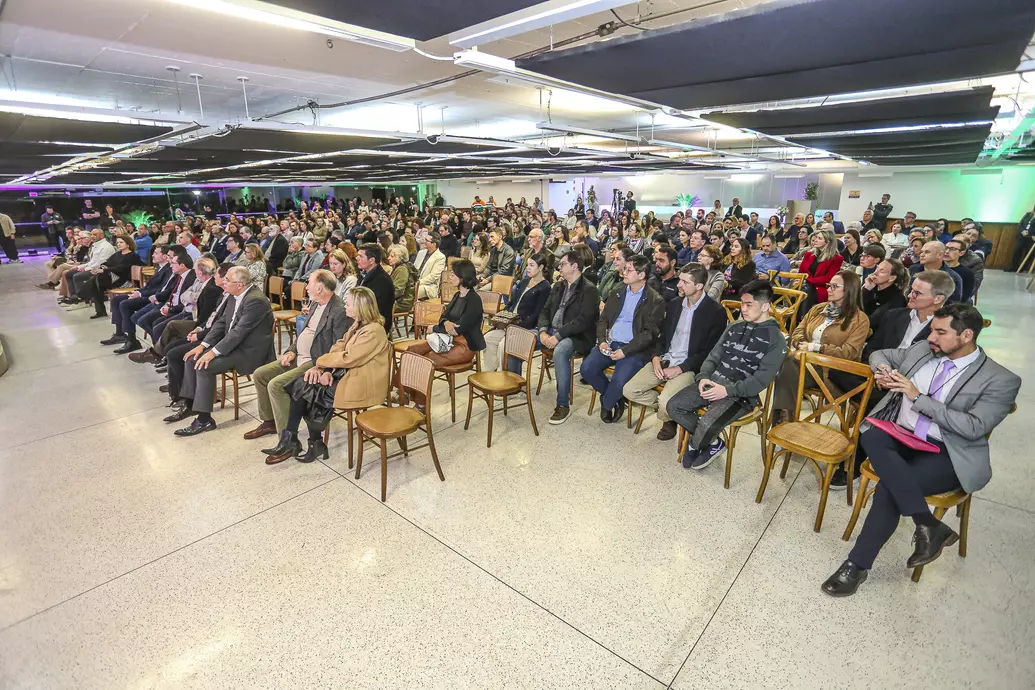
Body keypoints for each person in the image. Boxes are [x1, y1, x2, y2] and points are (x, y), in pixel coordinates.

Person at [822, 304, 1021, 597]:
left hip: (946, 451)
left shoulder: (1000, 379)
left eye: (941, 332)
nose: (932, 336)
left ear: (966, 335)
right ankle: (928, 524)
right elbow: (879, 354)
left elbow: (974, 427)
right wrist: (884, 371)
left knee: (889, 488)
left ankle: (856, 565)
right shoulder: (923, 351)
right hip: (901, 436)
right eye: (932, 329)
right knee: (872, 436)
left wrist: (918, 398)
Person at [262, 286, 392, 463]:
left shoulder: (374, 330)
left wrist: (322, 364)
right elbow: (340, 345)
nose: (345, 305)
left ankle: (303, 441)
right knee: (305, 383)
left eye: (348, 303)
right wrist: (325, 370)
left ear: (360, 307)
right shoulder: (358, 324)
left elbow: (349, 358)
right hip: (349, 375)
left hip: (363, 384)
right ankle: (297, 440)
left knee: (308, 390)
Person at [667, 280, 787, 470]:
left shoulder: (776, 340)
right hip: (712, 383)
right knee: (673, 406)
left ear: (765, 306)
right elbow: (713, 356)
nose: (744, 309)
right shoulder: (735, 327)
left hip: (740, 396)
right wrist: (704, 377)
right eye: (742, 303)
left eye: (749, 305)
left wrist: (726, 391)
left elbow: (760, 381)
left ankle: (695, 443)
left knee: (707, 422)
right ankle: (713, 443)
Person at [165, 266, 275, 436]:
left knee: (203, 365)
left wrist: (213, 352)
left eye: (228, 280)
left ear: (239, 284)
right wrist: (203, 346)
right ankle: (191, 404)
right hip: (233, 345)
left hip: (249, 351)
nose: (224, 282)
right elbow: (222, 323)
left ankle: (204, 420)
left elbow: (239, 333)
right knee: (192, 358)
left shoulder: (256, 300)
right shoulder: (234, 295)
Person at [245, 270, 351, 445]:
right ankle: (269, 421)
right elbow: (304, 333)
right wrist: (291, 351)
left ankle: (287, 440)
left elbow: (337, 347)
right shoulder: (316, 303)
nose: (306, 286)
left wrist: (322, 368)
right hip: (299, 356)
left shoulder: (338, 310)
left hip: (315, 360)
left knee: (276, 385)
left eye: (309, 282)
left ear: (320, 287)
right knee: (260, 374)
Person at [623, 265, 727, 441]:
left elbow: (709, 352)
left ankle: (668, 415)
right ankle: (671, 412)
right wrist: (656, 357)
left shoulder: (715, 312)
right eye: (680, 279)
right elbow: (662, 337)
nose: (679, 284)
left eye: (685, 282)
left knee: (665, 401)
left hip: (688, 366)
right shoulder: (675, 304)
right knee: (629, 390)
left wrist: (681, 368)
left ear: (699, 286)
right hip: (665, 360)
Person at [582, 255, 665, 424]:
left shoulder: (655, 300)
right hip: (611, 342)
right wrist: (602, 340)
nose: (623, 272)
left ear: (641, 275)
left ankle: (607, 403)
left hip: (634, 348)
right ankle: (615, 398)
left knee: (620, 381)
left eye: (629, 270)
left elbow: (649, 334)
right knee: (587, 369)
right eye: (624, 268)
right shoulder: (618, 291)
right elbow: (603, 319)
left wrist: (625, 351)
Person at [772, 270, 869, 416]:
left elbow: (848, 352)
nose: (829, 289)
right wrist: (800, 343)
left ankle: (781, 419)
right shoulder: (818, 309)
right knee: (787, 366)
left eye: (834, 286)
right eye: (829, 285)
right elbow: (798, 331)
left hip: (829, 370)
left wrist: (814, 347)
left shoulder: (860, 320)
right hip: (803, 362)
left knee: (787, 364)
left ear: (849, 289)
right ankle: (783, 418)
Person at [400, 259, 485, 401]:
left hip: (464, 345)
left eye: (453, 274)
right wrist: (445, 323)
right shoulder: (458, 295)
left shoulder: (474, 300)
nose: (450, 277)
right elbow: (443, 316)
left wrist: (434, 328)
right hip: (446, 338)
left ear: (462, 277)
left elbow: (458, 329)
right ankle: (402, 392)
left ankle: (420, 404)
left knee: (426, 361)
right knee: (411, 350)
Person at [537, 251, 600, 424]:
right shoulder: (559, 286)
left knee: (560, 351)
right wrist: (542, 331)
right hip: (551, 331)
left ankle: (563, 405)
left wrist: (558, 335)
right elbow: (544, 310)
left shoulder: (589, 290)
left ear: (574, 266)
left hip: (577, 336)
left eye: (563, 264)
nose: (559, 267)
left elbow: (583, 321)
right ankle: (514, 385)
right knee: (518, 337)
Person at [863, 270, 954, 363]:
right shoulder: (893, 315)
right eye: (911, 290)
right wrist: (879, 367)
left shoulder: (948, 328)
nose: (910, 295)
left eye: (917, 293)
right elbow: (871, 349)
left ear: (938, 299)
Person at [484, 253, 551, 372]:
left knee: (503, 345)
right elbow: (511, 302)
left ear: (540, 268)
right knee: (488, 338)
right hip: (509, 322)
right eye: (527, 265)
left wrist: (513, 326)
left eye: (531, 265)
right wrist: (501, 316)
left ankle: (503, 377)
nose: (528, 268)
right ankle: (490, 371)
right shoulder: (525, 281)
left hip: (523, 326)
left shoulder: (545, 287)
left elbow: (537, 314)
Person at [80, 235, 144, 318]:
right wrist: (101, 268)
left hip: (124, 280)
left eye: (121, 242)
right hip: (112, 277)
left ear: (128, 244)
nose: (118, 244)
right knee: (97, 282)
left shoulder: (132, 256)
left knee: (97, 280)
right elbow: (106, 263)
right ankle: (98, 309)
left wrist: (104, 270)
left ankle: (83, 296)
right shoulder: (117, 254)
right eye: (117, 242)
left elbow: (121, 268)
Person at [798, 228, 844, 305]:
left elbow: (829, 278)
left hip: (820, 288)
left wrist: (808, 280)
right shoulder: (808, 254)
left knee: (806, 294)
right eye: (816, 238)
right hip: (804, 285)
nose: (815, 240)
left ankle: (804, 316)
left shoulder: (836, 258)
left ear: (828, 242)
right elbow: (801, 272)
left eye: (819, 238)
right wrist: (802, 280)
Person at [355, 243, 395, 332]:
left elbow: (375, 309)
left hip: (375, 324)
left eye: (361, 256)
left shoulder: (382, 281)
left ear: (372, 260)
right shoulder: (363, 275)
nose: (357, 258)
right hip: (362, 318)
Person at [862, 258, 908, 327]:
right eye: (877, 268)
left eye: (881, 271)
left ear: (892, 278)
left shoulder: (897, 299)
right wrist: (866, 290)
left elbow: (872, 322)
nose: (875, 273)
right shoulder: (871, 287)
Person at [413, 233, 446, 300]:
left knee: (411, 291)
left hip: (428, 286)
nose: (424, 242)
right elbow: (414, 268)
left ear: (433, 244)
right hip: (414, 281)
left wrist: (419, 282)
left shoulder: (440, 257)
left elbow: (433, 276)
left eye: (427, 240)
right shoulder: (421, 252)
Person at [943, 238, 975, 303]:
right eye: (946, 248)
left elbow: (964, 297)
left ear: (961, 253)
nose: (947, 251)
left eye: (952, 249)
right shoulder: (935, 266)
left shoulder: (967, 273)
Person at [388, 245, 415, 314]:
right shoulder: (400, 267)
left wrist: (384, 298)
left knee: (372, 306)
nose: (388, 258)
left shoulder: (401, 269)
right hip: (401, 300)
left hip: (402, 303)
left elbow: (398, 290)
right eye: (389, 256)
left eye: (392, 256)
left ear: (401, 257)